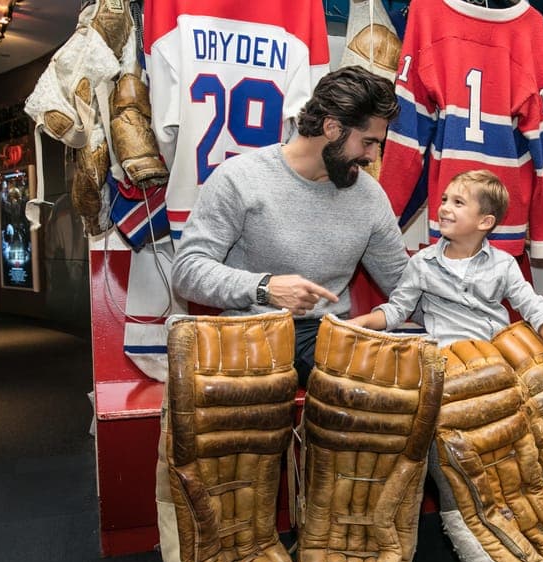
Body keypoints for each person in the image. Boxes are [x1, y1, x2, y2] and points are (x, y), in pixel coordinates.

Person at [171, 66, 409, 387]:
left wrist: (474, 312)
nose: (373, 156)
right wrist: (265, 288)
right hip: (251, 333)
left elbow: (406, 285)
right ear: (332, 128)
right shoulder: (241, 178)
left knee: (402, 384)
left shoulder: (369, 196)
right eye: (368, 142)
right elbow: (187, 272)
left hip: (325, 337)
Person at [351, 169, 543, 397]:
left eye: (458, 202)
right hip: (445, 364)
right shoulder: (423, 263)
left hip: (496, 363)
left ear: (485, 222)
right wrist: (360, 323)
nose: (444, 207)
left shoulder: (503, 265)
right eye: (444, 199)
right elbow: (397, 309)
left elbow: (536, 310)